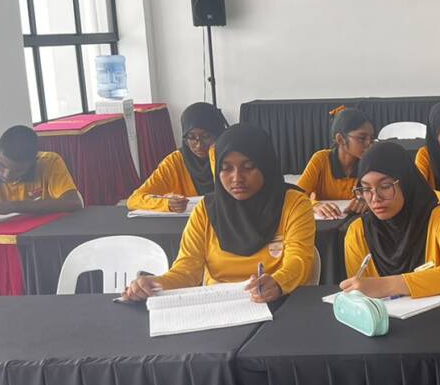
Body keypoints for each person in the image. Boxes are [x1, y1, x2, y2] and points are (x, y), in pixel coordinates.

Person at [123, 124, 315, 303]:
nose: (237, 178)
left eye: (248, 167)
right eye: (226, 168)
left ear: (265, 165)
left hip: (276, 303)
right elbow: (186, 270)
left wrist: (278, 282)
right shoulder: (206, 210)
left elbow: (299, 261)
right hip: (219, 306)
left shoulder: (293, 203)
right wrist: (154, 284)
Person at [340, 141, 440, 298]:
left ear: (406, 183)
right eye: (366, 189)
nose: (375, 198)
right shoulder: (358, 232)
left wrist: (386, 286)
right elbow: (359, 295)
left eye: (385, 186)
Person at [127, 102, 228, 212]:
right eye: (191, 137)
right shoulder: (175, 162)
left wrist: (214, 155)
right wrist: (167, 204)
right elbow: (134, 200)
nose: (199, 145)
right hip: (190, 221)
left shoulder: (230, 157)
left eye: (206, 136)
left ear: (218, 134)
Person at [296, 107, 375, 219]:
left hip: (357, 222)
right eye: (362, 138)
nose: (369, 144)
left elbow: (380, 194)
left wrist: (368, 201)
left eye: (372, 139)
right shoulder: (321, 159)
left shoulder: (370, 162)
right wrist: (315, 205)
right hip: (326, 221)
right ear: (340, 139)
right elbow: (296, 195)